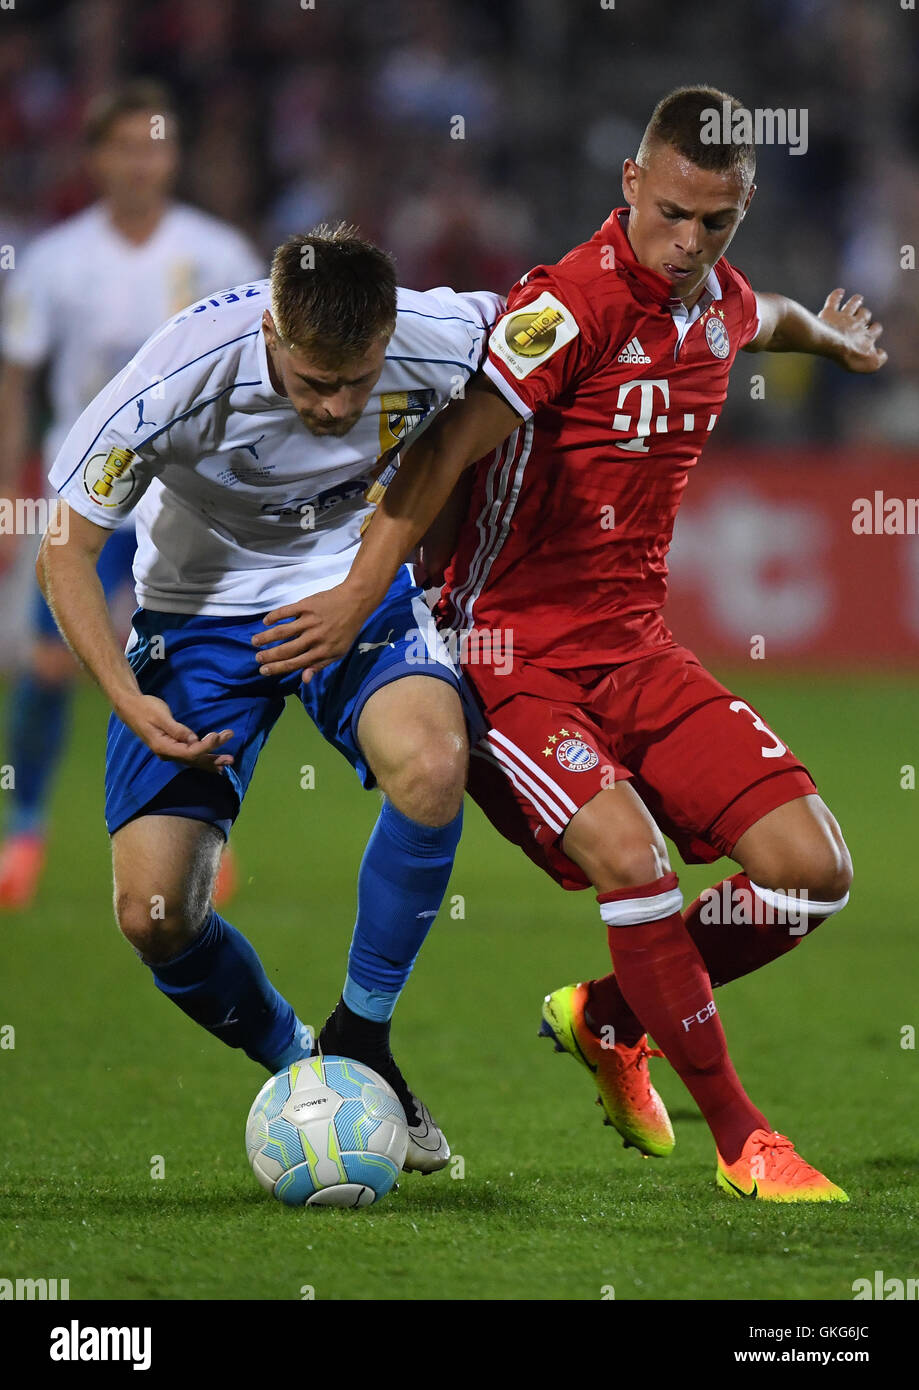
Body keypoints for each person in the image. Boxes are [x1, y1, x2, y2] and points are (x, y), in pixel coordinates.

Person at [262, 87, 888, 1202]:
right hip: (509, 655)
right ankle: (744, 1141)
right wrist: (363, 595)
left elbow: (766, 312)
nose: (690, 244)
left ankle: (605, 1013)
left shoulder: (717, 302)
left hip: (637, 650)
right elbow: (445, 452)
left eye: (717, 223)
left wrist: (832, 337)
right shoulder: (566, 308)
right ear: (631, 186)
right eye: (674, 215)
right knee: (634, 861)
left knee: (810, 874)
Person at [36, 223, 503, 1172]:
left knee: (433, 763)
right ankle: (309, 1067)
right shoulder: (177, 377)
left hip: (353, 589)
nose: (335, 408)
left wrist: (771, 324)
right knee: (155, 914)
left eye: (357, 382)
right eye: (312, 382)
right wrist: (125, 697)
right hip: (198, 616)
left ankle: (362, 1037)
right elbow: (66, 549)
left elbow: (597, 320)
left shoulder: (440, 330)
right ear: (272, 338)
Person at [0, 80, 261, 909]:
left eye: (156, 147)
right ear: (97, 158)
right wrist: (10, 494)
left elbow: (258, 372)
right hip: (87, 492)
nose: (141, 163)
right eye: (125, 147)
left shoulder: (218, 252)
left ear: (172, 157)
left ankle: (202, 837)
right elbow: (17, 383)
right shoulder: (53, 260)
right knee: (47, 663)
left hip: (186, 498)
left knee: (195, 665)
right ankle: (27, 828)